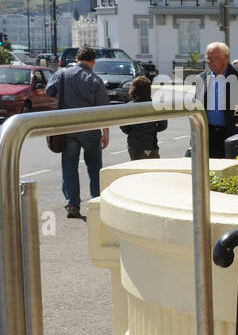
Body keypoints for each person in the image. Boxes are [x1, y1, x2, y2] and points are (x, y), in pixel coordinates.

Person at [44, 45, 111, 219]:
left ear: (77, 59)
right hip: (90, 130)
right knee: (95, 168)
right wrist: (106, 132)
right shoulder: (96, 81)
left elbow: (48, 91)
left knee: (69, 168)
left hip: (68, 128)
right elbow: (104, 110)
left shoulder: (62, 74)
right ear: (93, 62)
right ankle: (96, 203)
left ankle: (73, 205)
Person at [194, 42, 238, 160]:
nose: (210, 61)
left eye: (214, 58)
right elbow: (197, 109)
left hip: (234, 135)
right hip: (208, 136)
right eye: (208, 58)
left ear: (226, 57)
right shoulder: (201, 78)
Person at [120, 76, 166, 159]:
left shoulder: (128, 107)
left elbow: (124, 127)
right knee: (152, 168)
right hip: (150, 144)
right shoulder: (155, 106)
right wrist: (152, 129)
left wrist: (133, 131)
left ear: (134, 89)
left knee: (136, 168)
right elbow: (163, 125)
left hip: (133, 145)